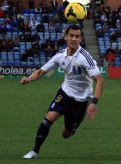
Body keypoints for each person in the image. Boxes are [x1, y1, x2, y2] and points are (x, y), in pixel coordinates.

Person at [20, 25, 104, 159]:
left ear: (81, 39)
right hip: (65, 93)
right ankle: (34, 151)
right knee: (48, 119)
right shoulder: (60, 55)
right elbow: (42, 71)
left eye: (77, 36)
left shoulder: (85, 58)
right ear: (66, 37)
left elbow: (100, 80)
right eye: (71, 35)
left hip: (81, 101)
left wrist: (94, 102)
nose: (74, 39)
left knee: (66, 134)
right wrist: (29, 79)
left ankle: (71, 127)